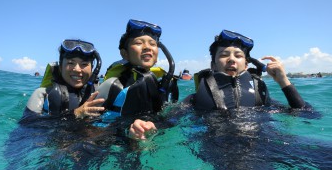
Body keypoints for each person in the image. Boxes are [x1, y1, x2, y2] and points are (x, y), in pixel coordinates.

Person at [128, 29, 307, 139]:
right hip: (221, 149)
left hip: (265, 145)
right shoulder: (196, 99)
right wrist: (149, 126)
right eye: (223, 55)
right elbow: (170, 120)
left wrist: (283, 81)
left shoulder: (260, 93)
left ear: (246, 64)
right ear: (213, 65)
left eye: (238, 55)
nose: (231, 59)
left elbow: (305, 114)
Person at [96, 19, 178, 118]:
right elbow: (91, 127)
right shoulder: (112, 86)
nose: (147, 47)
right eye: (139, 43)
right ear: (125, 54)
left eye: (153, 44)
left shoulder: (165, 84)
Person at [22, 39, 105, 121]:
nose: (77, 69)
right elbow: (26, 127)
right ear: (61, 67)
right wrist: (76, 113)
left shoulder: (102, 93)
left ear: (92, 68)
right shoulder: (43, 95)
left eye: (84, 64)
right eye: (70, 63)